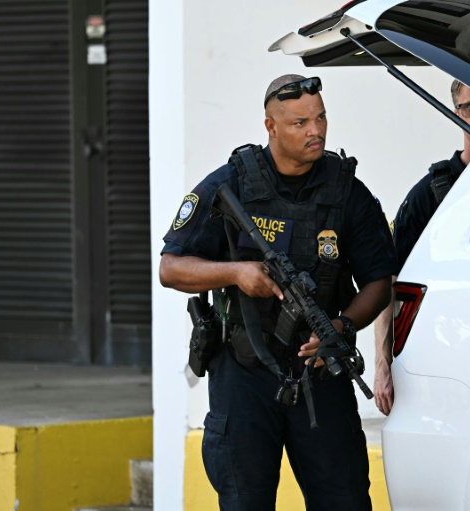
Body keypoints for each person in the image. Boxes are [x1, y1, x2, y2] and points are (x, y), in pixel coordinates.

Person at [160, 74, 397, 510]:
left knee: (343, 499)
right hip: (244, 375)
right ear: (270, 126)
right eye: (300, 122)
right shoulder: (229, 185)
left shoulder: (347, 193)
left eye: (321, 117)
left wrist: (341, 327)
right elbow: (171, 268)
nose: (316, 131)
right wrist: (236, 273)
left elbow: (380, 282)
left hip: (321, 372)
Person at [373, 80, 470, 416]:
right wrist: (382, 364)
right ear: (456, 113)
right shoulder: (430, 193)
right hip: (447, 359)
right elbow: (386, 280)